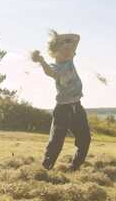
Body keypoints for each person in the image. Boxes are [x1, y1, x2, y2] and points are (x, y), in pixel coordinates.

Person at [32, 30, 91, 171]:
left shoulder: (70, 60)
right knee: (56, 142)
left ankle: (75, 167)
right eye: (63, 50)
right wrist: (41, 61)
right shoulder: (56, 67)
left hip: (77, 106)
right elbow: (49, 72)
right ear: (55, 53)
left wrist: (58, 38)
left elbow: (77, 37)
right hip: (63, 109)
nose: (68, 52)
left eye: (69, 50)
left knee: (85, 139)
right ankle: (46, 168)